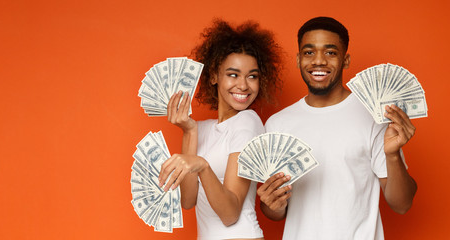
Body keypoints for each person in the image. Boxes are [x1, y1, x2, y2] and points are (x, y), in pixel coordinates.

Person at [257, 17, 417, 240]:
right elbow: (275, 213)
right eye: (309, 52)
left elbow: (402, 204)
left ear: (346, 60)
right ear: (298, 59)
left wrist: (392, 155)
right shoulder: (277, 124)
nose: (319, 61)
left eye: (330, 52)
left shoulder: (374, 116)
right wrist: (271, 203)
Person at [157, 19, 283, 240]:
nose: (243, 85)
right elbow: (188, 200)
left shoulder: (247, 122)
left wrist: (203, 166)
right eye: (233, 74)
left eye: (252, 76)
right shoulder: (202, 129)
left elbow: (230, 214)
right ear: (214, 76)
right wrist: (189, 131)